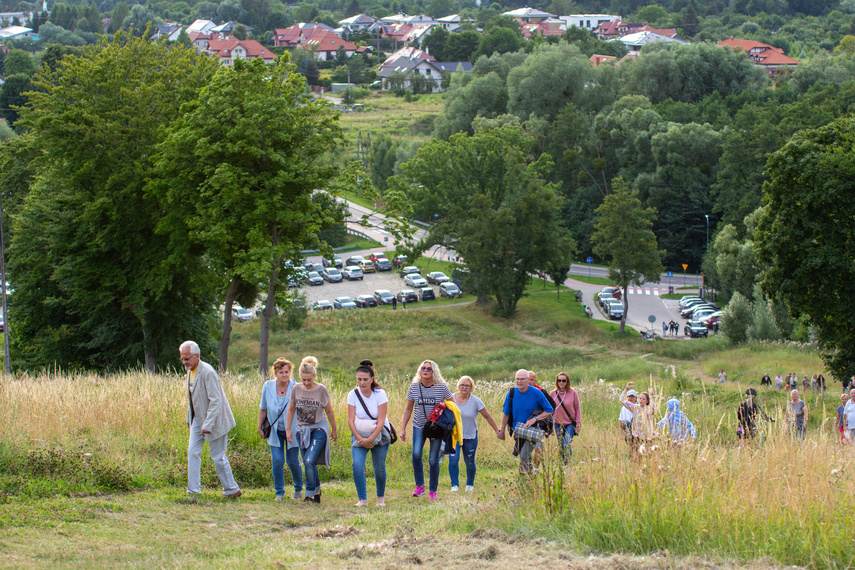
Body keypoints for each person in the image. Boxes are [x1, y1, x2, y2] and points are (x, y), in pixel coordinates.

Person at [180, 340, 241, 499]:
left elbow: (216, 400)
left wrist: (207, 425)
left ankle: (231, 490)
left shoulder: (207, 372)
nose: (184, 362)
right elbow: (193, 398)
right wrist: (189, 418)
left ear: (197, 356)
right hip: (197, 419)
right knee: (192, 452)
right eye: (182, 359)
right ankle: (193, 491)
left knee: (218, 456)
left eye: (187, 358)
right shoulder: (190, 372)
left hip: (216, 420)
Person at [285, 356, 338, 504]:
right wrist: (289, 429)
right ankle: (317, 490)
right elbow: (291, 409)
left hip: (318, 428)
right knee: (309, 462)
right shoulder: (296, 389)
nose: (307, 383)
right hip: (301, 430)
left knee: (308, 460)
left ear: (315, 376)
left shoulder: (321, 390)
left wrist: (334, 429)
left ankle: (309, 495)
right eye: (304, 380)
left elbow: (329, 411)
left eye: (309, 379)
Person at [400, 359, 452, 500]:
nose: (426, 371)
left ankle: (433, 490)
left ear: (434, 371)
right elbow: (408, 408)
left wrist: (443, 415)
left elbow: (453, 405)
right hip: (419, 425)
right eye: (423, 368)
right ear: (420, 370)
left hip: (436, 427)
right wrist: (403, 428)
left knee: (433, 459)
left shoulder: (441, 387)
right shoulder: (414, 387)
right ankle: (420, 486)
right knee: (416, 454)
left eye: (429, 368)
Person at [347, 359, 390, 507]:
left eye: (365, 379)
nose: (362, 383)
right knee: (357, 464)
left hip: (379, 434)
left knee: (379, 466)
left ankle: (380, 497)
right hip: (359, 434)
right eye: (359, 379)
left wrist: (371, 439)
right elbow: (350, 420)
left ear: (372, 379)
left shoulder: (380, 393)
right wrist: (360, 439)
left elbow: (382, 420)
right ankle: (362, 499)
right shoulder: (352, 394)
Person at [257, 358, 302, 501]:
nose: (284, 375)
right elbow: (263, 408)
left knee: (293, 461)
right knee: (277, 460)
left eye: (287, 372)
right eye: (281, 372)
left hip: (293, 431)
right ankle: (279, 492)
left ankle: (298, 488)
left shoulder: (296, 387)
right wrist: (259, 426)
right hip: (274, 430)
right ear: (275, 373)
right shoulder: (268, 386)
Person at [498, 369, 554, 475]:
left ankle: (525, 477)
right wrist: (502, 430)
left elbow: (549, 410)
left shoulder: (537, 393)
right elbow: (506, 413)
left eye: (522, 379)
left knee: (524, 455)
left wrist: (535, 419)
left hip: (532, 430)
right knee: (523, 455)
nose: (519, 381)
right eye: (517, 379)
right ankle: (530, 475)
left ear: (528, 380)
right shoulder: (511, 393)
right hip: (518, 430)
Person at [448, 376, 499, 492]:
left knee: (469, 461)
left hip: (470, 435)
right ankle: (454, 485)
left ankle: (470, 484)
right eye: (462, 385)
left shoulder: (476, 401)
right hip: (454, 436)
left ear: (471, 387)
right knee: (453, 459)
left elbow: (487, 416)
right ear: (458, 386)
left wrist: (497, 430)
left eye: (467, 385)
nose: (464, 387)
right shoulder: (451, 398)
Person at [549, 372, 581, 464]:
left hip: (570, 423)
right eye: (559, 380)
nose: (561, 382)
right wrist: (550, 425)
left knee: (567, 444)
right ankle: (562, 463)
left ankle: (567, 465)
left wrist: (578, 424)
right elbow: (550, 410)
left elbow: (577, 408)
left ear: (567, 382)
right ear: (557, 381)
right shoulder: (553, 393)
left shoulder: (573, 393)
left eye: (564, 380)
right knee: (561, 445)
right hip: (557, 423)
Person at [619, 382, 656, 458]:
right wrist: (626, 389)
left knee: (646, 456)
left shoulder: (648, 409)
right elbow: (622, 400)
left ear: (647, 401)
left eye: (643, 399)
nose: (641, 400)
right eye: (640, 398)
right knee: (636, 456)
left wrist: (651, 396)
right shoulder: (635, 407)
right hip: (636, 437)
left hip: (646, 437)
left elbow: (653, 409)